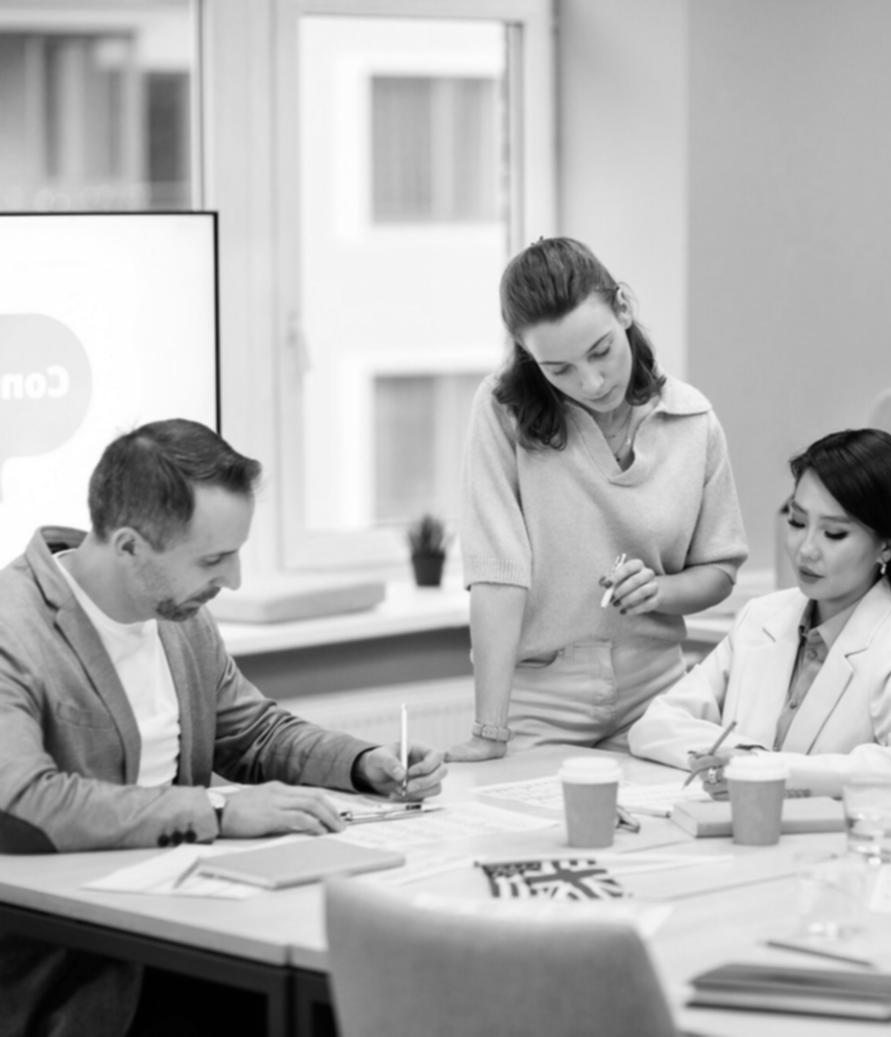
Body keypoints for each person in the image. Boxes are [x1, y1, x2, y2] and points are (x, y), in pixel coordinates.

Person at [0, 418, 446, 1037]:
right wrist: (218, 810)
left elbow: (255, 733)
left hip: (189, 917)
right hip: (71, 964)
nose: (233, 580)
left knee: (357, 998)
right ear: (128, 547)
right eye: (213, 559)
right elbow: (20, 802)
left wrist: (362, 761)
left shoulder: (179, 611)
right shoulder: (13, 625)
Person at [445, 238, 747, 762]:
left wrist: (659, 591)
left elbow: (719, 570)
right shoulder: (502, 411)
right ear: (528, 356)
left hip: (656, 693)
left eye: (601, 350)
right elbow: (497, 574)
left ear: (623, 308)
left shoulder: (693, 420)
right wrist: (489, 731)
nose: (591, 381)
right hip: (540, 700)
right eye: (558, 368)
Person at [629, 429, 891, 798]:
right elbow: (654, 726)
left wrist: (767, 769)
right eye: (798, 522)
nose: (806, 549)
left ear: (887, 546)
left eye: (834, 533)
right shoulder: (760, 618)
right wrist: (744, 757)